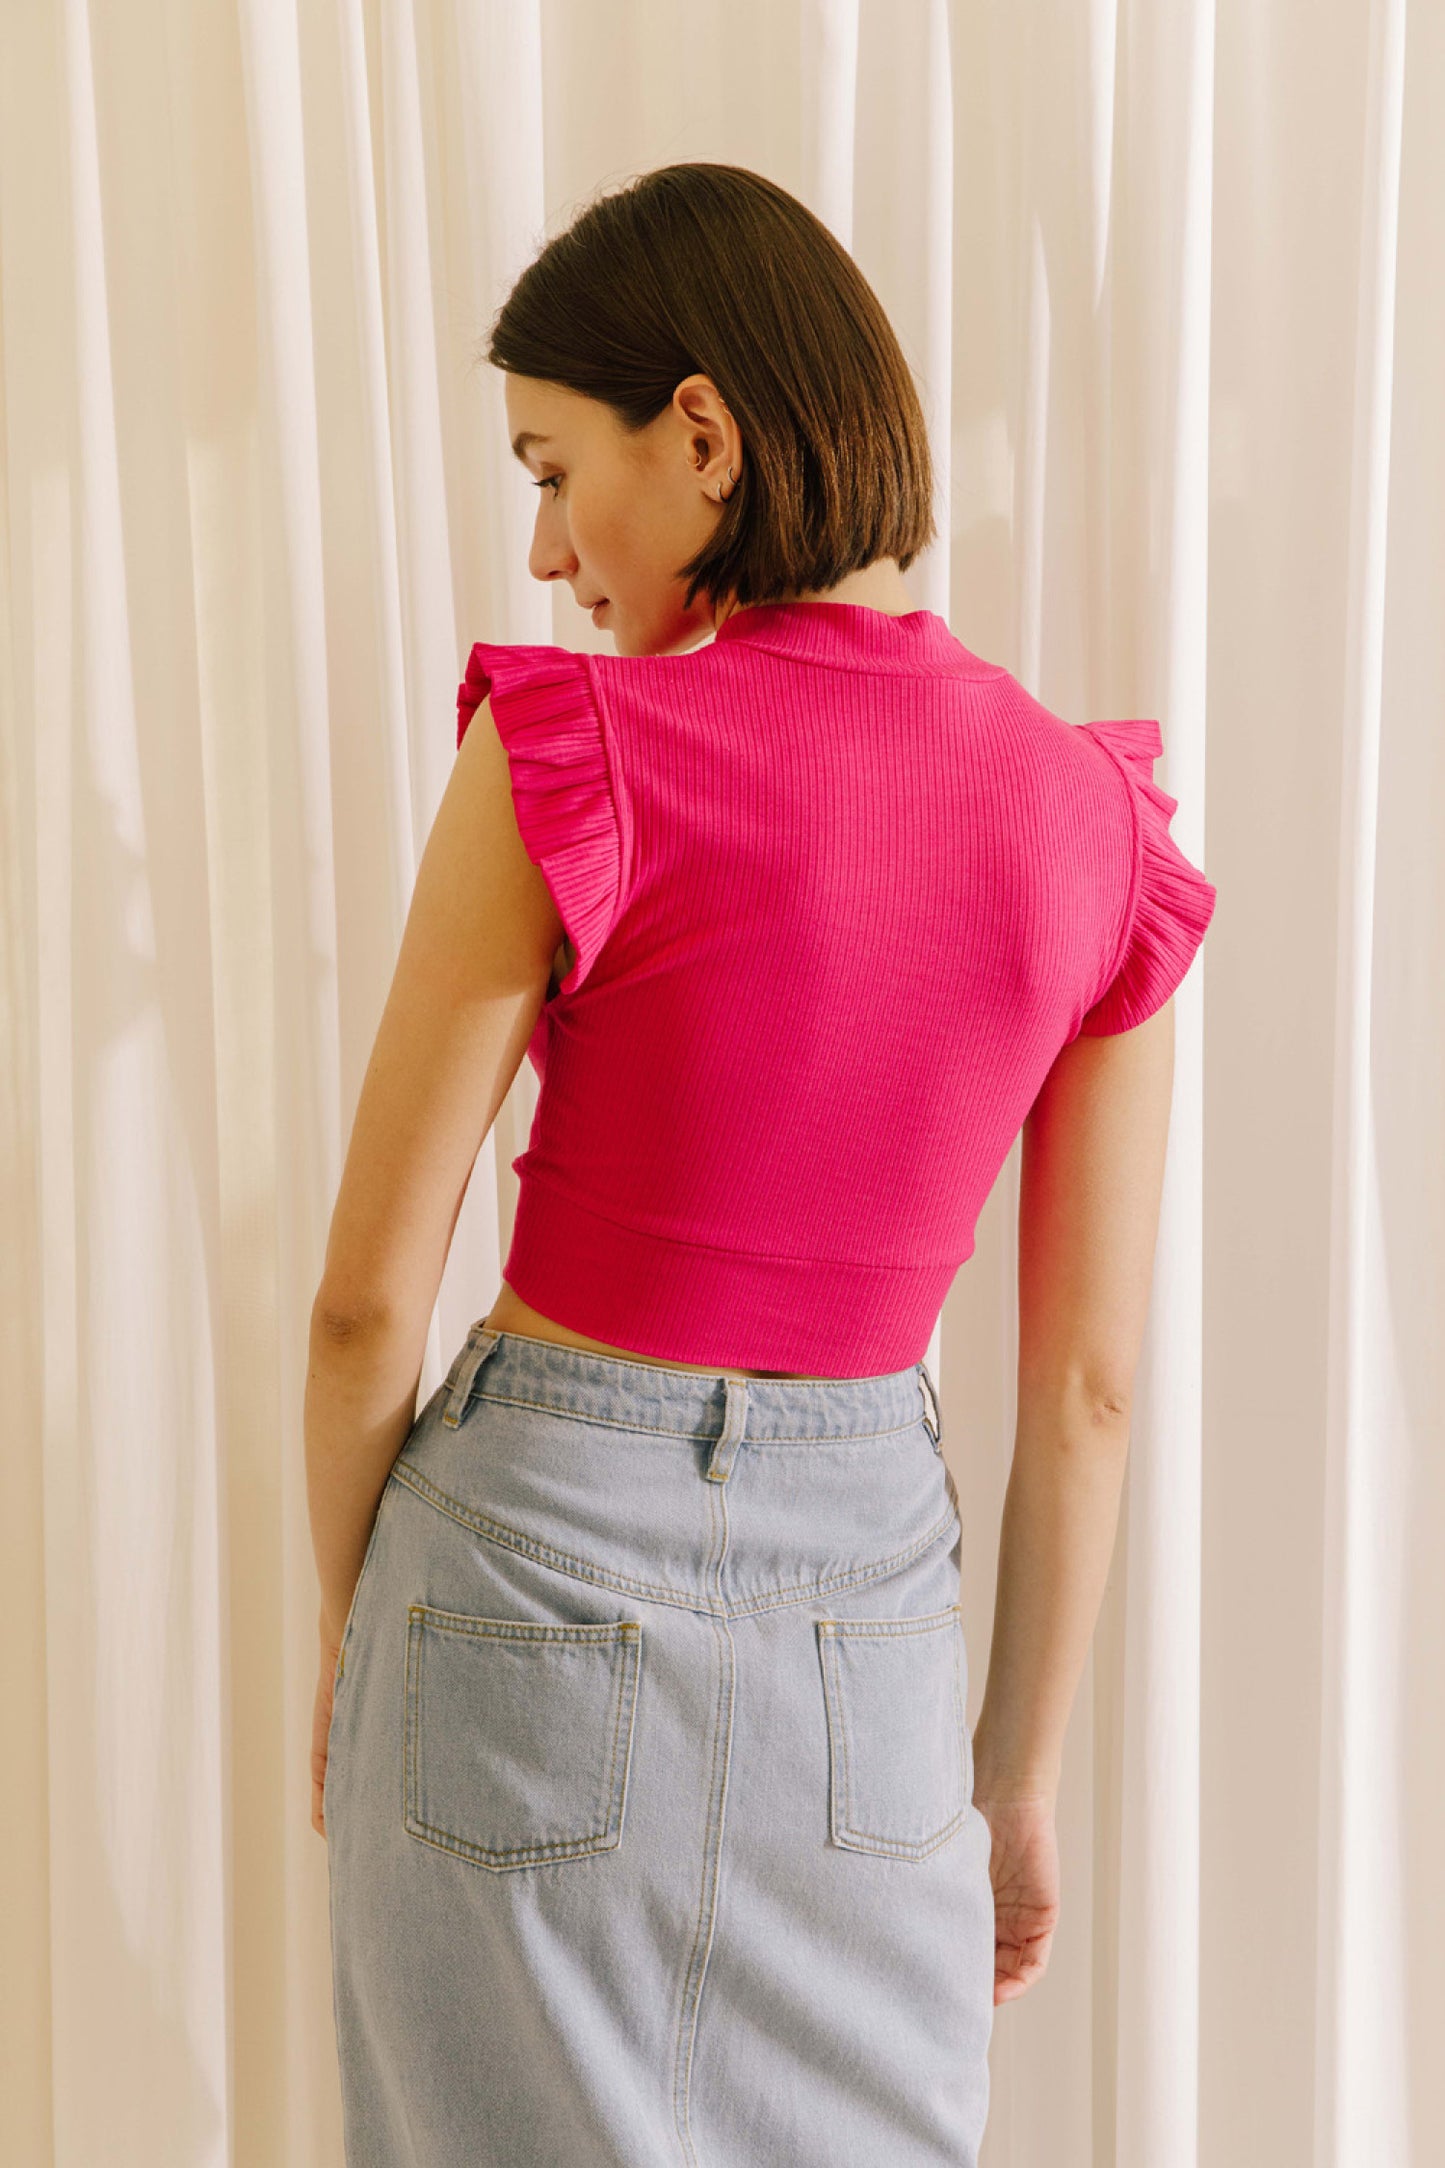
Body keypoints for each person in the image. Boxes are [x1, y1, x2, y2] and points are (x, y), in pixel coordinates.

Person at [305, 162, 1217, 2167]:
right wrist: (1017, 1784)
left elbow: (370, 1296)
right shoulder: (1094, 822)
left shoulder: (579, 751)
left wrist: (354, 1642)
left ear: (700, 432)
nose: (547, 549)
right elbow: (1084, 1387)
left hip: (524, 1563)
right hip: (869, 1632)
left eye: (558, 468)